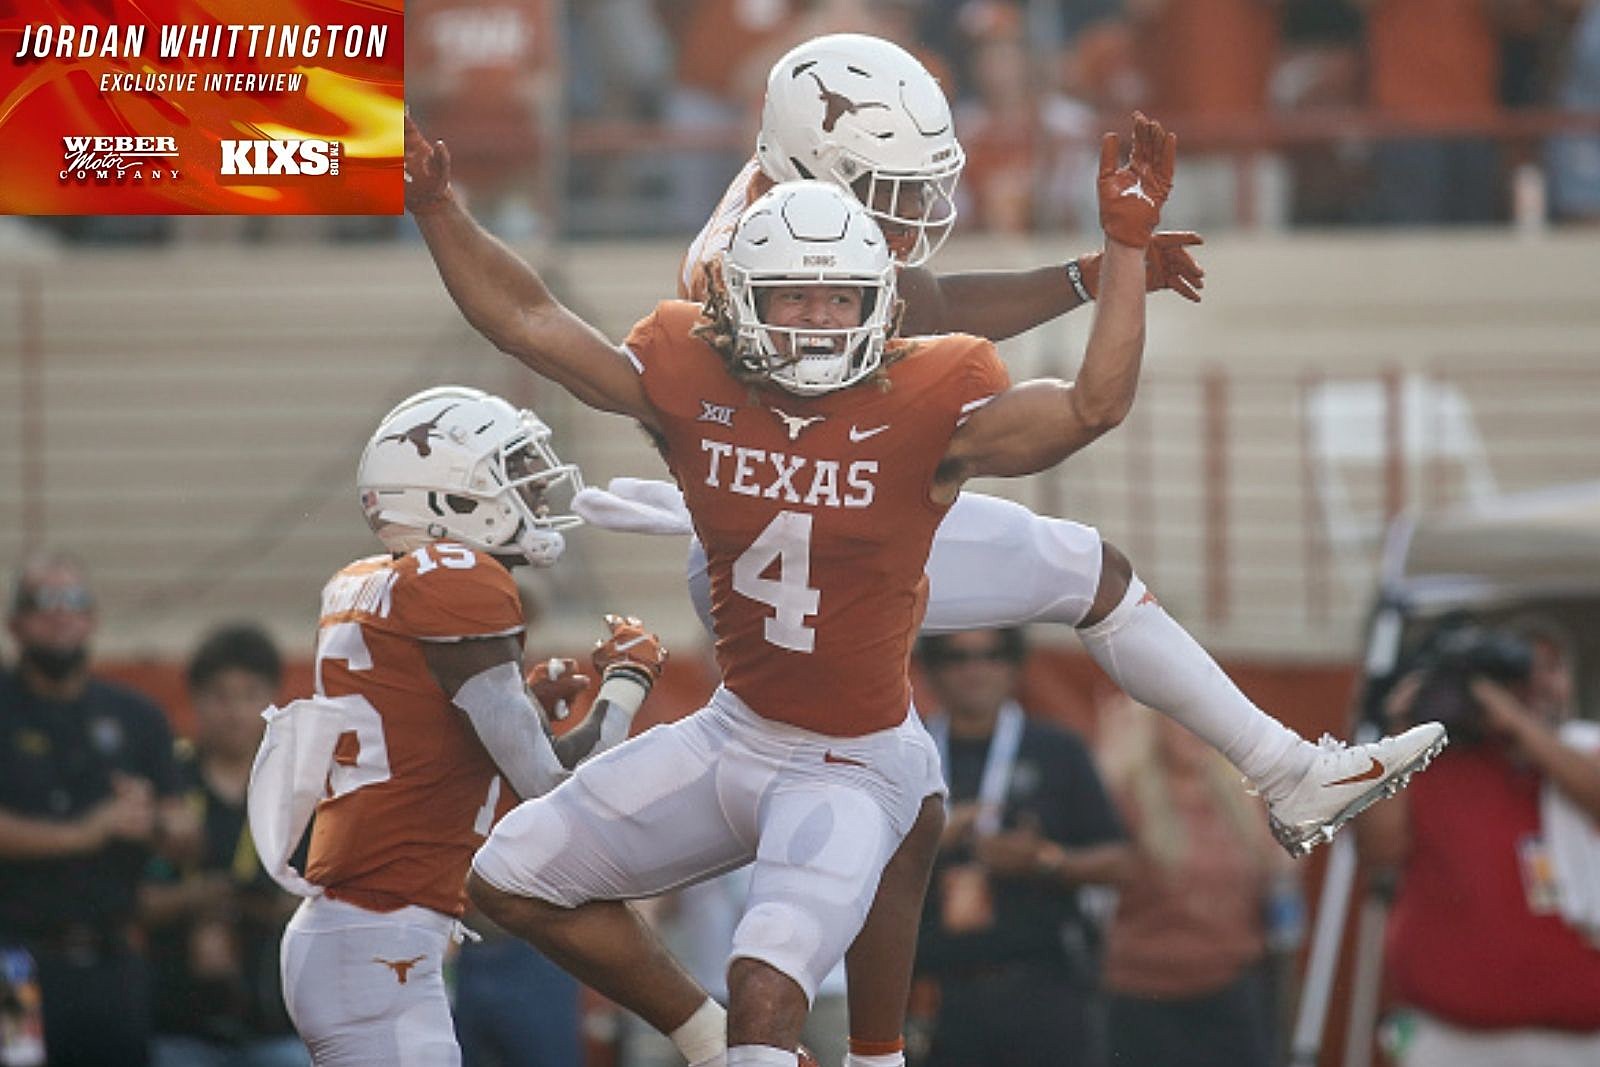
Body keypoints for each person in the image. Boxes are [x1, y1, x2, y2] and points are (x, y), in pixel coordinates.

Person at [566, 33, 1449, 1067]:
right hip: (815, 553)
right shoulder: (741, 268)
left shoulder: (781, 219)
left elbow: (919, 305)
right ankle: (1285, 770)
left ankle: (875, 1048)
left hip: (802, 538)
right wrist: (1097, 277)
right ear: (815, 161)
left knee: (919, 793)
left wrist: (1085, 274)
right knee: (1084, 577)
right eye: (884, 190)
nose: (906, 217)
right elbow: (918, 358)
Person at [409, 89, 1174, 1066]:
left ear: (878, 305)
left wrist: (1120, 251)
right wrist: (437, 206)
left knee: (768, 987)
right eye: (793, 297)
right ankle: (699, 1033)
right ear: (740, 306)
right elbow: (526, 318)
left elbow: (1091, 405)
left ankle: (802, 1040)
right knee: (509, 875)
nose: (818, 319)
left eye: (840, 298)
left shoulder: (926, 402)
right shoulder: (695, 382)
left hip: (844, 756)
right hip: (738, 727)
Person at [246, 386, 670, 1066]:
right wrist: (628, 681)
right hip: (376, 938)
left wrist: (529, 697)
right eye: (512, 473)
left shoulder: (366, 580)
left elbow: (432, 737)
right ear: (448, 499)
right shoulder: (458, 578)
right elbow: (552, 779)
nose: (533, 493)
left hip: (358, 933)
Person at [1357, 617, 1600, 1067]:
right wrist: (1401, 729)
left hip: (1583, 1043)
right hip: (1452, 1040)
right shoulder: (1436, 765)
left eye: (1551, 668)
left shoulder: (1583, 749)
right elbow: (1378, 848)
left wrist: (1519, 726)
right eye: (1523, 671)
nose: (1537, 683)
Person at [0, 550, 195, 1067]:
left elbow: (186, 831)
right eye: (43, 602)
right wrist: (87, 832)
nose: (60, 613)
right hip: (12, 959)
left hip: (113, 956)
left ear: (92, 618)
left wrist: (149, 819)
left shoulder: (136, 716)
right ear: (14, 622)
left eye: (74, 600)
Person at [912, 628, 1134, 1067]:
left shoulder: (1057, 749)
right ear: (930, 671)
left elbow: (1122, 862)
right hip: (933, 996)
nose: (975, 671)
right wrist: (928, 844)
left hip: (1041, 989)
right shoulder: (910, 754)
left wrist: (1046, 861)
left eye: (992, 655)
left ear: (1015, 665)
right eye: (956, 658)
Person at [141, 623, 309, 1067]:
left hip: (277, 1021)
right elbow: (130, 898)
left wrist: (250, 904)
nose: (234, 712)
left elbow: (326, 899)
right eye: (220, 696)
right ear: (194, 700)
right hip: (176, 1023)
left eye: (249, 695)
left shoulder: (297, 793)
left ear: (273, 699)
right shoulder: (167, 787)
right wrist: (193, 900)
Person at [1096, 700, 1293, 1067]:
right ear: (1155, 725)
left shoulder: (1241, 796)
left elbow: (1276, 880)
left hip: (1228, 986)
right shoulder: (1125, 796)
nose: (1194, 731)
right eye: (1181, 720)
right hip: (1143, 995)